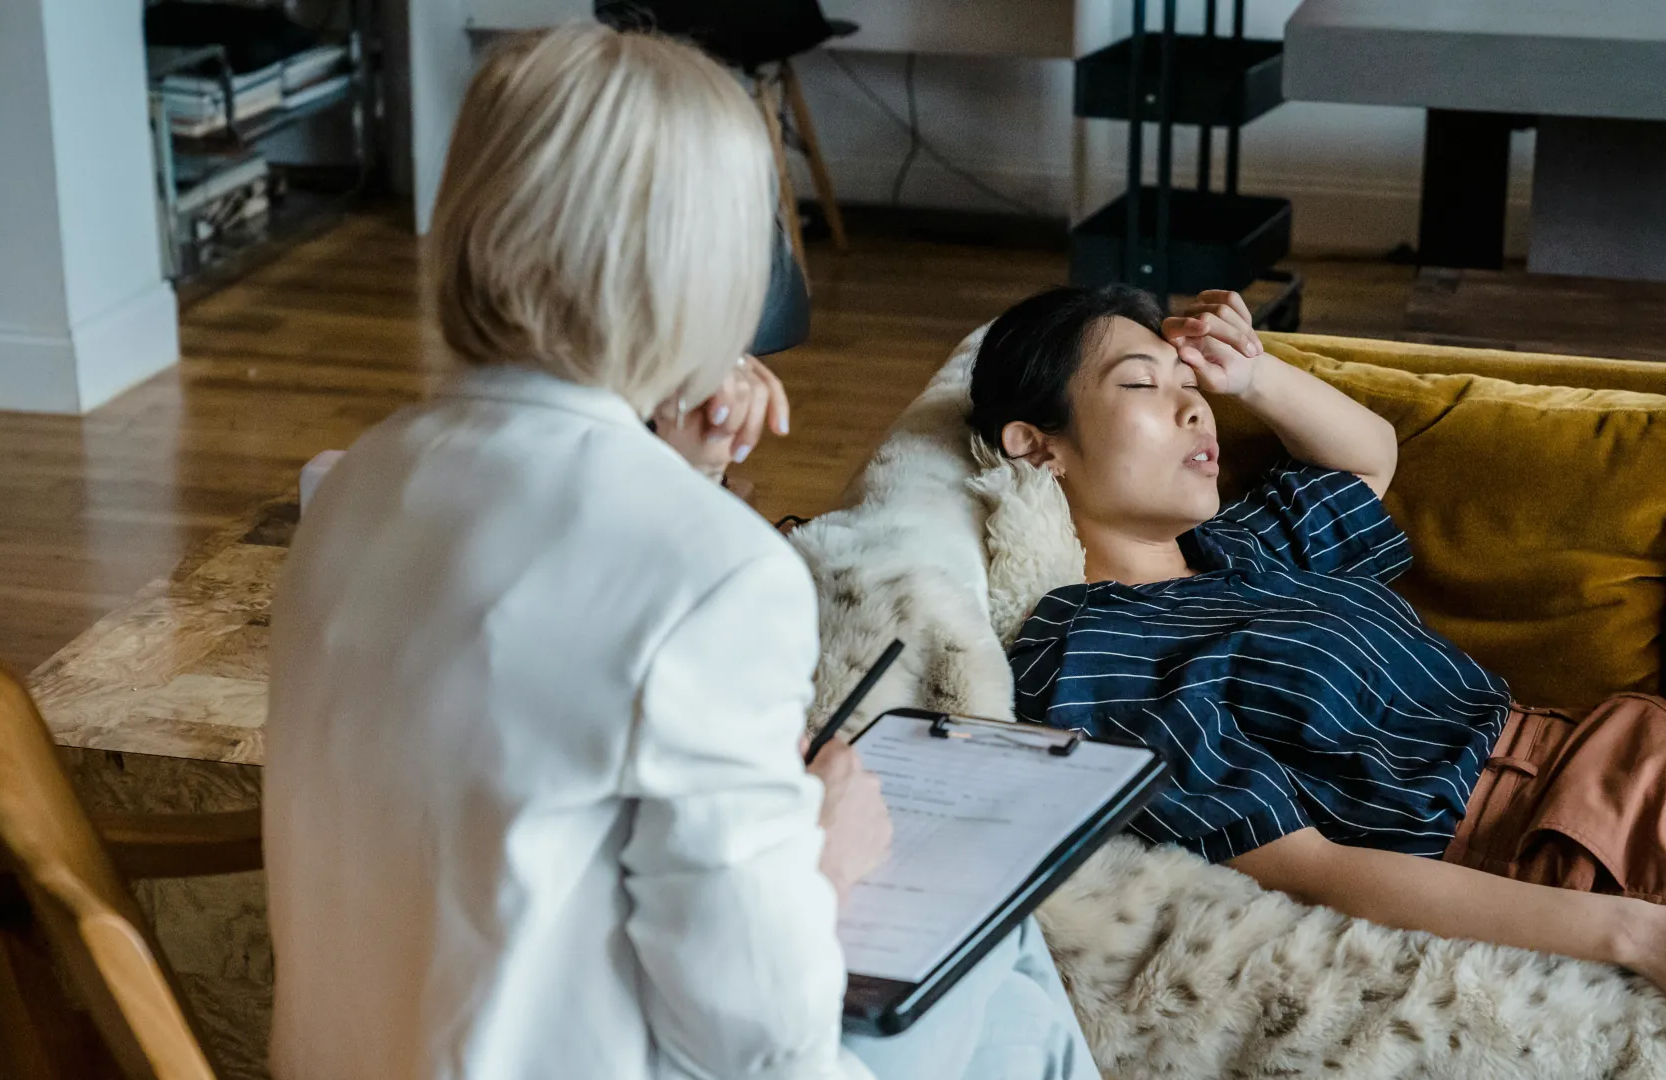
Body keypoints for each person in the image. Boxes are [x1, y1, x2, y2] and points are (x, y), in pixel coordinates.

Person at [264, 26, 1099, 1080]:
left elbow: (538, 686)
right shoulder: (715, 576)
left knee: (996, 969)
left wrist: (679, 474)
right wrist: (819, 861)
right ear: (707, 264)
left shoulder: (357, 482)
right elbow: (755, 1037)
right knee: (1002, 942)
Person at [967, 282, 1666, 1017]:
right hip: (1577, 832)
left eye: (1191, 390)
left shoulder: (1239, 551)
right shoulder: (1096, 646)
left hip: (1664, 744)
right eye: (1142, 386)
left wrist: (1250, 373)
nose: (1193, 412)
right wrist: (1644, 934)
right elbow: (1304, 871)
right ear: (1035, 445)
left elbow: (1368, 456)